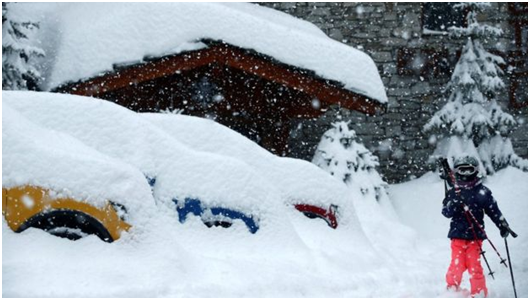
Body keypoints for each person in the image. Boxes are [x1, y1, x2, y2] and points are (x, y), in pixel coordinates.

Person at [441, 156, 511, 298]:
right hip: (457, 237)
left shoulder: (482, 192)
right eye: (463, 170)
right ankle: (452, 290)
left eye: (469, 170)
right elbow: (446, 212)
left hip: (475, 238)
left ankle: (478, 293)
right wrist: (454, 201)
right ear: (457, 172)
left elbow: (493, 210)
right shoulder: (453, 192)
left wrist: (502, 224)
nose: (466, 174)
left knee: (475, 268)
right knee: (457, 266)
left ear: (476, 171)